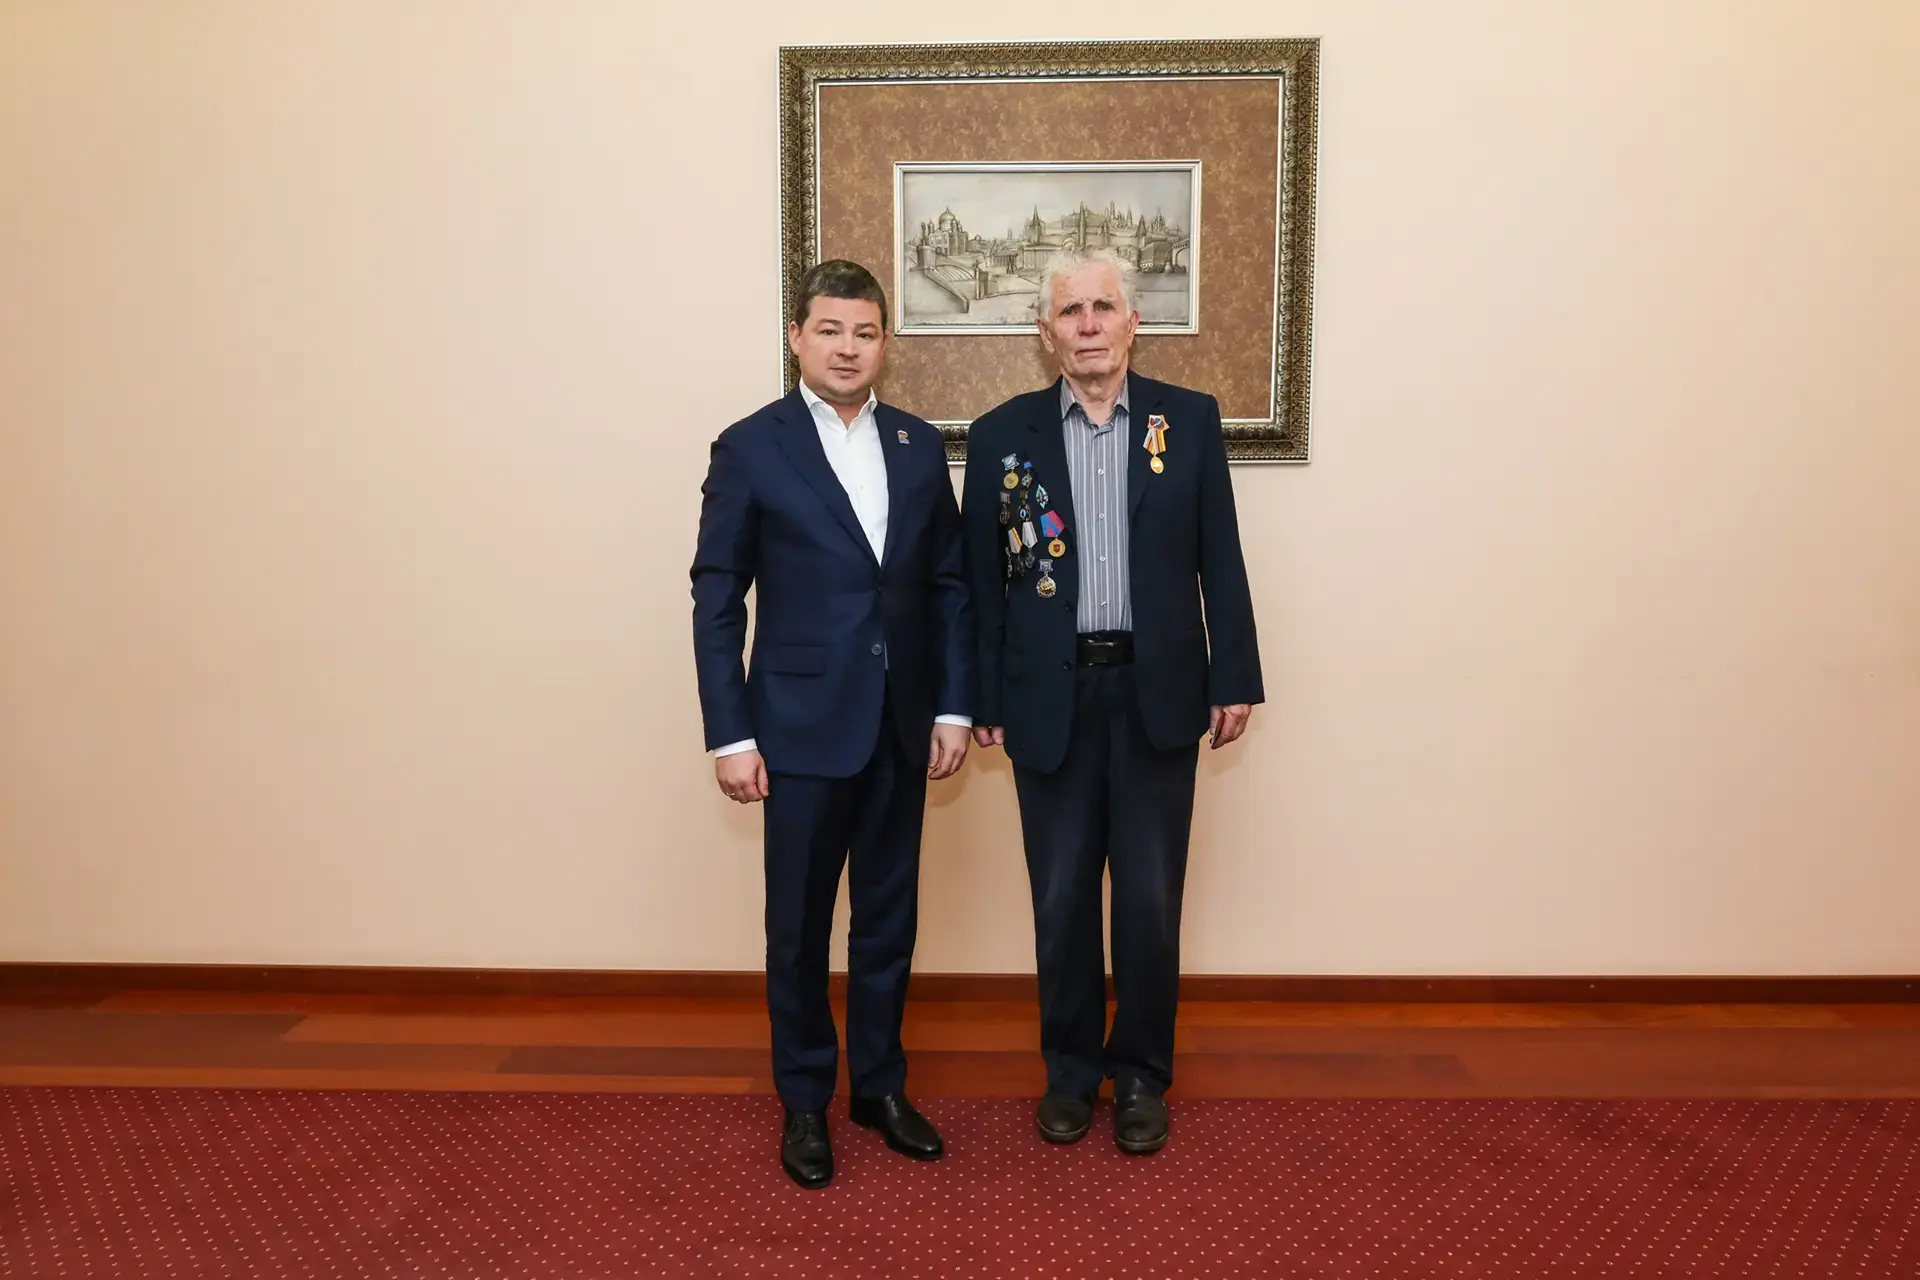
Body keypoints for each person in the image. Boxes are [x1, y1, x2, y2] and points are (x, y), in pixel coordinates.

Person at [961, 246, 1262, 1155]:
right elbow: (981, 585)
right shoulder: (1002, 435)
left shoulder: (1189, 421)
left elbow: (1221, 558)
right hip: (1046, 700)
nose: (1088, 325)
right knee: (1059, 898)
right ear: (1044, 331)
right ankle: (1068, 1073)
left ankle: (1139, 1076)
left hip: (1157, 696)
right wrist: (981, 694)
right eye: (1070, 311)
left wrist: (1234, 675)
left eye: (1103, 307)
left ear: (1133, 321)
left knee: (1148, 902)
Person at [690, 259, 973, 1189]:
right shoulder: (750, 447)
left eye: (865, 332)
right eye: (830, 330)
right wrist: (732, 734)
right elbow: (718, 597)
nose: (848, 348)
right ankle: (806, 1101)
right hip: (798, 729)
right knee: (800, 929)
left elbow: (947, 587)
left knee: (888, 922)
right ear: (797, 337)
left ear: (884, 343)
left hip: (902, 724)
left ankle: (879, 1088)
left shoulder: (917, 445)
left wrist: (953, 705)